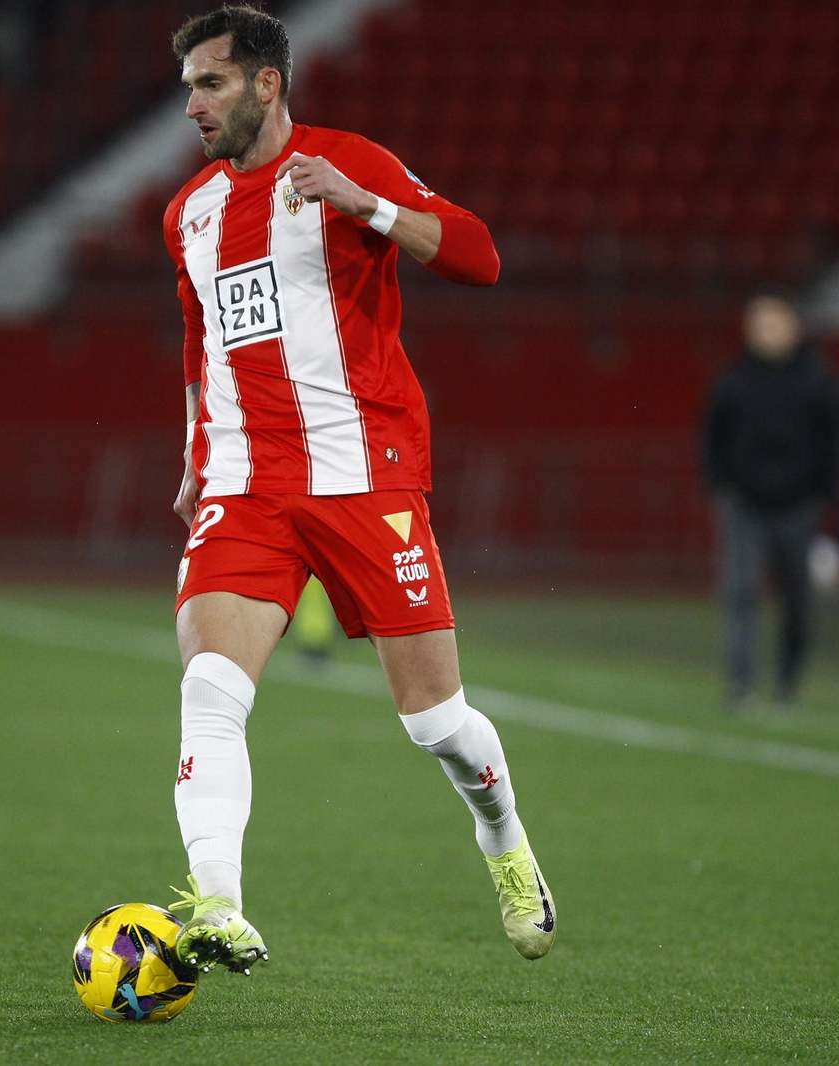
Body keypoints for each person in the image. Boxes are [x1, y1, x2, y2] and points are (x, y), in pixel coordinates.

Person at [159, 5, 553, 975]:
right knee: (209, 686)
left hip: (364, 474)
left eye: (210, 85)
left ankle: (502, 837)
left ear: (265, 83)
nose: (194, 107)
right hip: (247, 483)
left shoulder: (350, 164)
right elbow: (199, 339)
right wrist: (191, 453)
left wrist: (359, 203)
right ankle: (218, 902)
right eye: (186, 91)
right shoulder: (188, 214)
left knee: (435, 722)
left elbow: (480, 257)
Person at [701, 293, 839, 712]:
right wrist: (722, 486)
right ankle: (741, 684)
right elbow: (711, 438)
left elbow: (833, 440)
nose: (765, 331)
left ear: (794, 327)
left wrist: (822, 493)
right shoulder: (733, 380)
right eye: (758, 323)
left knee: (798, 598)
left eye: (773, 322)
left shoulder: (817, 381)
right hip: (744, 505)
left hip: (798, 506)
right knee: (741, 593)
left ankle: (786, 683)